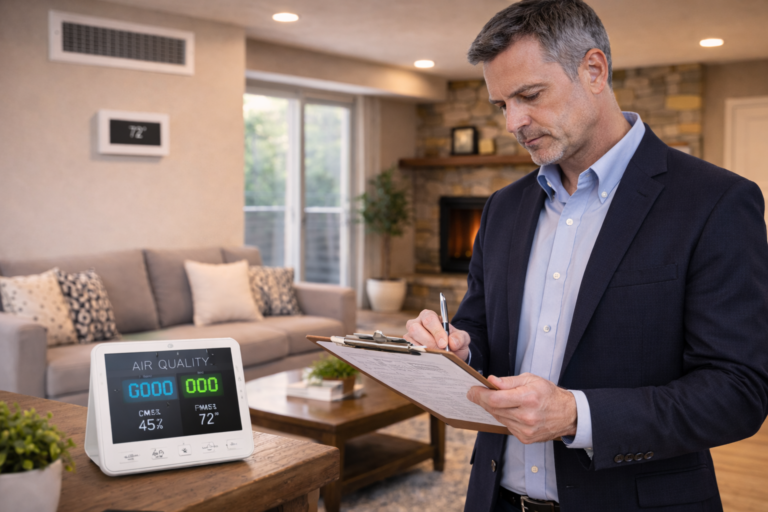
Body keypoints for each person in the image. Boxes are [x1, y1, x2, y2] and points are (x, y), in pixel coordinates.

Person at [403, 1, 768, 511]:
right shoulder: (504, 207)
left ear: (593, 70)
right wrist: (459, 349)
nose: (514, 122)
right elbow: (481, 327)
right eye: (501, 105)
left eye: (529, 95)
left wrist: (578, 414)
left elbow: (738, 392)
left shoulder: (716, 202)